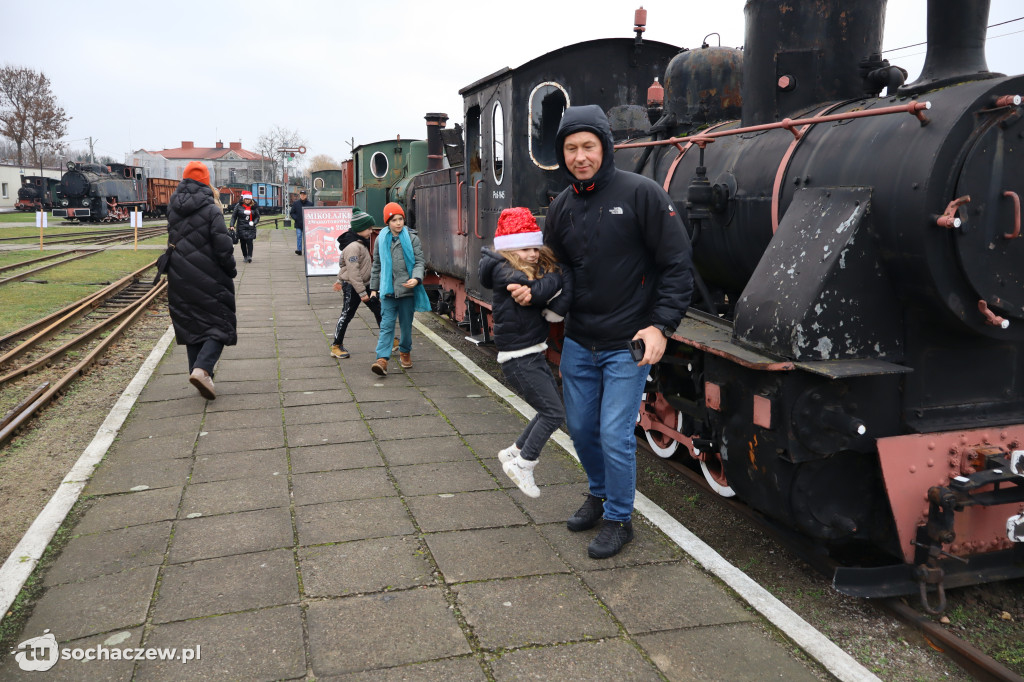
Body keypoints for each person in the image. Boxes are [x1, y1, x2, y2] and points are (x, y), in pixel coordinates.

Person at [511, 105, 693, 558]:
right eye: (570, 148)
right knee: (583, 431)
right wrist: (531, 290)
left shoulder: (642, 194)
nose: (580, 156)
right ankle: (597, 494)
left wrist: (661, 326)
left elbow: (677, 266)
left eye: (588, 146)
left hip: (627, 342)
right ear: (562, 154)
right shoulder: (562, 207)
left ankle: (619, 518)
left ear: (605, 147)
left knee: (614, 435)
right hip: (579, 340)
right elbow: (557, 270)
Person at [480, 207, 572, 498]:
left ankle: (516, 450)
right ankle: (525, 464)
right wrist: (560, 278)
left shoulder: (510, 264)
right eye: (527, 248)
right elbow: (538, 289)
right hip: (519, 357)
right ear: (510, 249)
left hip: (528, 352)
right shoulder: (505, 270)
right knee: (554, 413)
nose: (534, 254)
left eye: (536, 247)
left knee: (550, 407)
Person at [156, 161, 237, 400]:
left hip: (179, 275)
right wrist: (230, 270)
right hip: (209, 276)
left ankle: (200, 375)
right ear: (205, 182)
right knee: (220, 325)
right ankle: (202, 371)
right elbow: (223, 247)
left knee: (192, 326)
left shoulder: (173, 207)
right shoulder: (212, 209)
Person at [368, 202, 429, 376]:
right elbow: (377, 265)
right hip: (387, 291)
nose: (398, 223)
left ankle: (405, 351)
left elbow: (419, 262)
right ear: (388, 221)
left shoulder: (412, 239)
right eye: (394, 220)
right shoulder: (381, 239)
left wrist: (416, 278)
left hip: (406, 291)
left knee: (406, 327)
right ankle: (382, 359)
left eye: (400, 219)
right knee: (386, 326)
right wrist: (374, 288)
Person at [331, 207, 382, 358]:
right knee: (347, 314)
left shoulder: (360, 242)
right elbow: (353, 272)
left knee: (379, 310)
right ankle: (336, 346)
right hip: (354, 287)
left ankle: (389, 339)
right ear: (359, 229)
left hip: (363, 285)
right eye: (368, 228)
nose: (371, 231)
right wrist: (362, 293)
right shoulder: (353, 247)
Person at [230, 191, 260, 263]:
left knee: (250, 241)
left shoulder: (254, 206)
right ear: (243, 199)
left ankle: (249, 256)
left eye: (248, 199)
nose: (247, 201)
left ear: (251, 200)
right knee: (243, 242)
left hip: (250, 227)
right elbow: (234, 216)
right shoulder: (238, 206)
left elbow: (257, 217)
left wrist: (254, 222)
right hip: (241, 227)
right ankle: (245, 256)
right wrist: (232, 225)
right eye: (246, 199)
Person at [289, 189, 312, 255]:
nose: (302, 196)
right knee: (299, 236)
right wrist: (296, 218)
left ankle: (306, 249)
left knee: (306, 237)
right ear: (300, 195)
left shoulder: (310, 204)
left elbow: (312, 213)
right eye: (301, 195)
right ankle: (299, 250)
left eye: (303, 195)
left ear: (306, 196)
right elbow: (292, 212)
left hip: (307, 224)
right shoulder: (296, 203)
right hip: (298, 223)